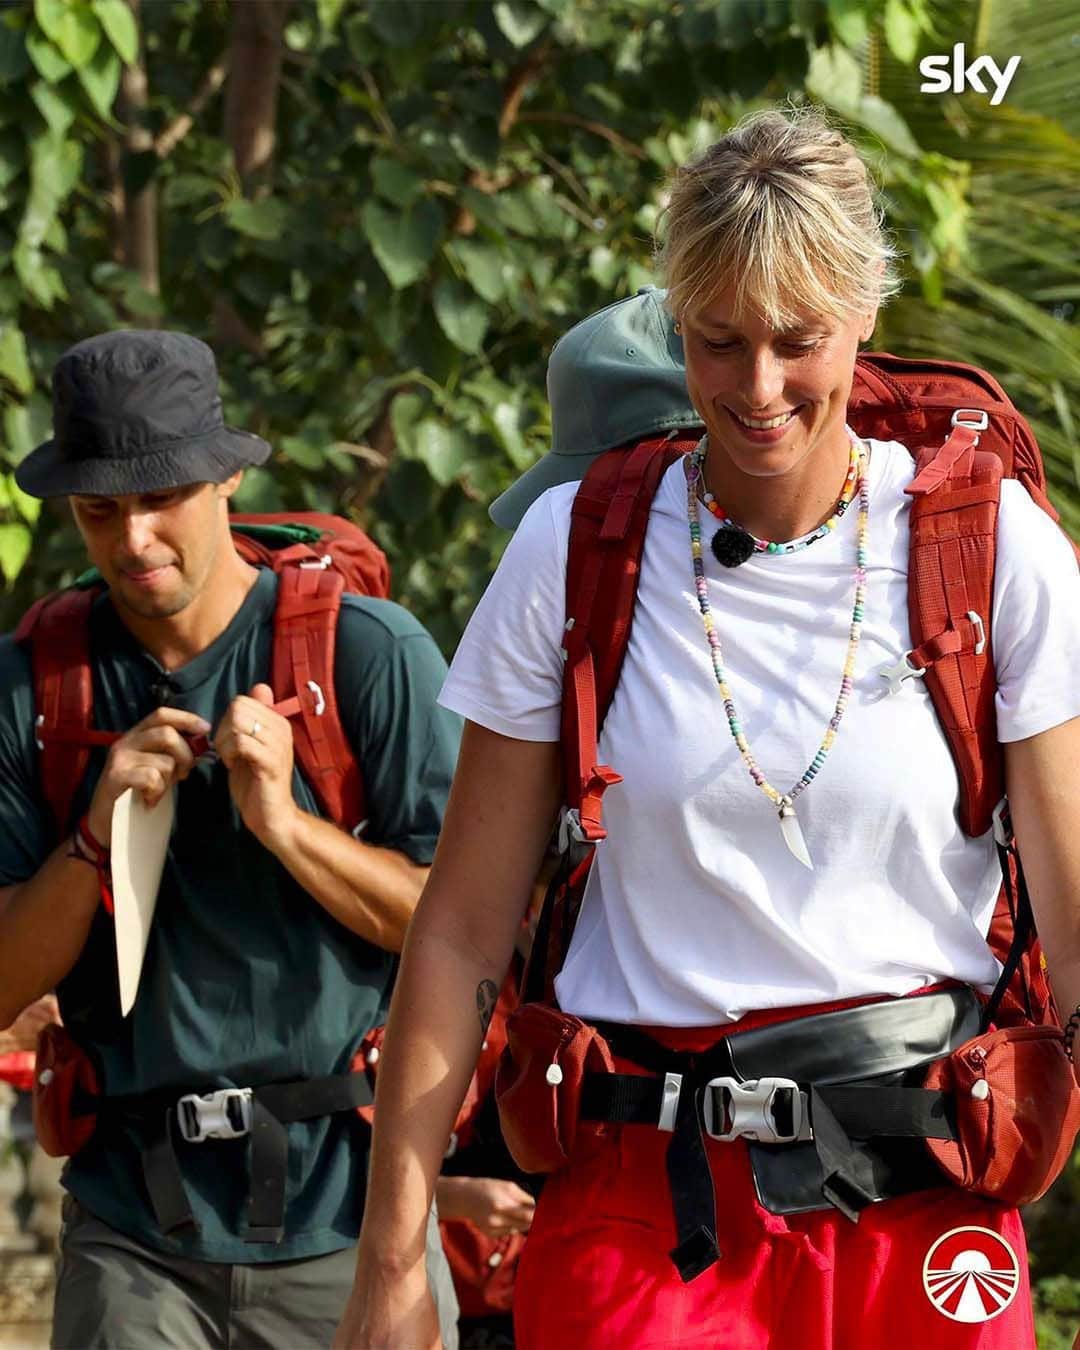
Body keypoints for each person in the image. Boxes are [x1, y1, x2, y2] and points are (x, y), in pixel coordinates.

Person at [335, 108, 1080, 1350]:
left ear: (866, 316)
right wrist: (391, 1257)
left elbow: (1072, 899)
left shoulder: (993, 551)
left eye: (800, 340)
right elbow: (462, 928)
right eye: (718, 341)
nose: (759, 386)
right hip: (646, 1207)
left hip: (924, 1201)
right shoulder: (572, 548)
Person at [0, 330, 462, 1349]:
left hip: (350, 1214)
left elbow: (464, 928)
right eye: (101, 510)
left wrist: (286, 827)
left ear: (226, 480)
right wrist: (91, 836)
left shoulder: (366, 652)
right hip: (134, 1231)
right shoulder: (35, 685)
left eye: (160, 498)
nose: (133, 539)